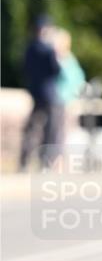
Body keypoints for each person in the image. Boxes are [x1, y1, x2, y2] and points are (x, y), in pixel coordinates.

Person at [18, 14, 62, 170]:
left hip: (35, 92)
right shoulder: (49, 50)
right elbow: (56, 70)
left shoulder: (29, 48)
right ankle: (44, 163)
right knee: (49, 131)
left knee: (31, 129)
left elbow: (25, 69)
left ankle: (23, 162)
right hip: (49, 95)